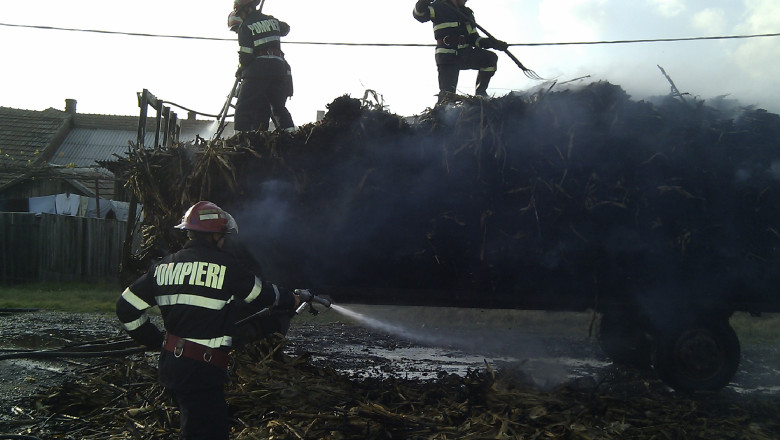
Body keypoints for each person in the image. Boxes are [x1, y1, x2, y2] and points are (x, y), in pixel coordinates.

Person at [116, 201, 301, 440]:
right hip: (201, 372)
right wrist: (291, 299)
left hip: (173, 367)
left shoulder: (163, 267)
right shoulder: (225, 267)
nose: (224, 241)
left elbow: (125, 308)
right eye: (223, 235)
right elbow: (263, 294)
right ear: (214, 235)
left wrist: (155, 340)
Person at [413, 0, 509, 104]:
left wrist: (493, 43)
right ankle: (442, 114)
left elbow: (474, 39)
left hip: (465, 54)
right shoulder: (439, 6)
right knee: (447, 96)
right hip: (447, 55)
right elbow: (419, 15)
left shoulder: (467, 13)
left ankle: (481, 94)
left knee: (490, 59)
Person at [221, 212, 294, 347]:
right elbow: (257, 292)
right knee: (274, 317)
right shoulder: (225, 264)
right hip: (213, 350)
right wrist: (289, 299)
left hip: (177, 348)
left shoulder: (172, 263)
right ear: (214, 235)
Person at [232, 0, 295, 132]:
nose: (241, 17)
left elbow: (246, 57)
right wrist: (267, 22)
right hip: (278, 70)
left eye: (240, 13)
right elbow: (285, 28)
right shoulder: (272, 21)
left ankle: (240, 138)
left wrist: (241, 70)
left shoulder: (245, 27)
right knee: (278, 107)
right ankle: (291, 134)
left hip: (258, 71)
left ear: (247, 9)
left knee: (244, 106)